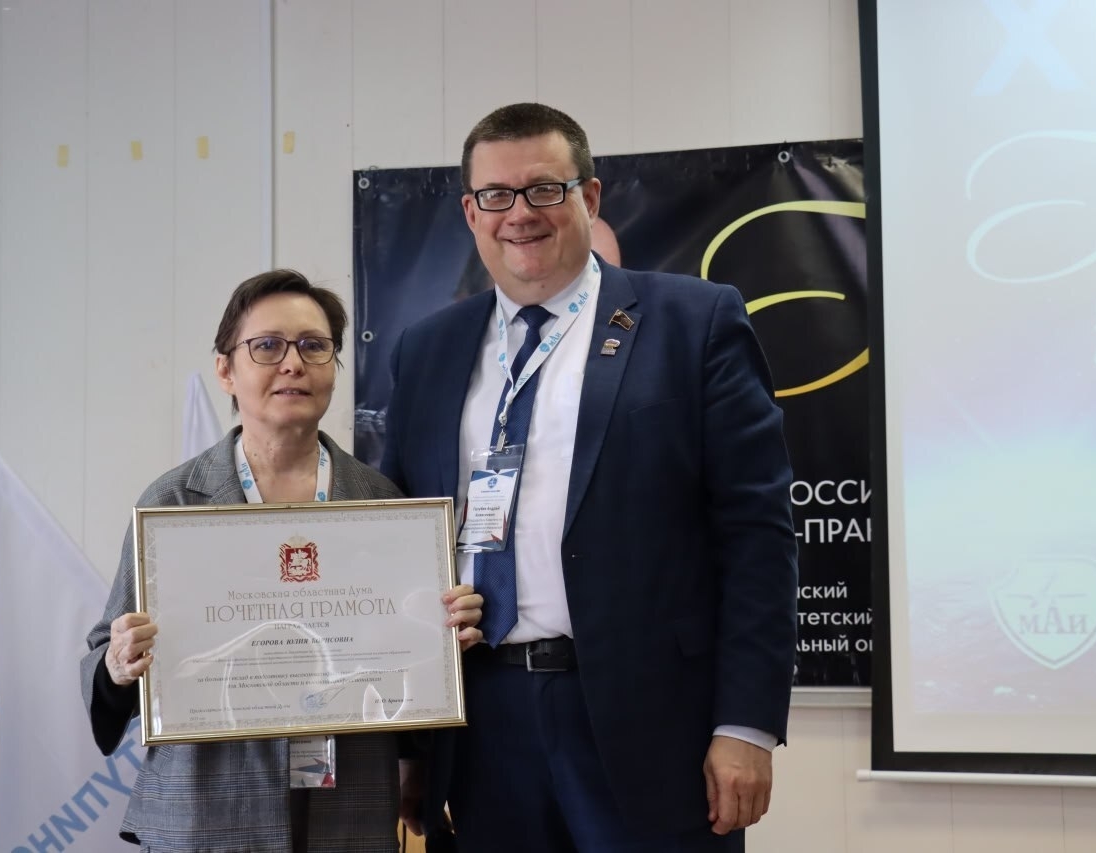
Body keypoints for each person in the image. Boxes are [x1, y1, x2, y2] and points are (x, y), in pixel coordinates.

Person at [381, 103, 798, 852]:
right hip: (482, 724)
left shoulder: (693, 321)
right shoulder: (427, 350)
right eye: (497, 195)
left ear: (590, 197)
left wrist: (746, 725)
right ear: (472, 213)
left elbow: (757, 535)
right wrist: (413, 744)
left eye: (545, 189)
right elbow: (403, 543)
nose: (521, 214)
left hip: (651, 723)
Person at [80, 269, 484, 853]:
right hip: (207, 808)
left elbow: (405, 681)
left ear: (334, 368)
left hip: (348, 808)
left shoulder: (384, 506)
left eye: (314, 346)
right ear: (226, 370)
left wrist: (440, 642)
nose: (293, 363)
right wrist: (119, 663)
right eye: (267, 346)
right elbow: (104, 652)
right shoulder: (174, 502)